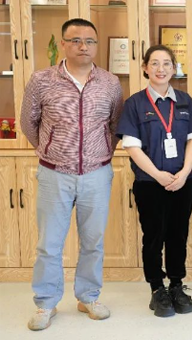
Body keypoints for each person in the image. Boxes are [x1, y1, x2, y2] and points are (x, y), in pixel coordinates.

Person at [20, 18, 123, 331]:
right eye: (76, 40)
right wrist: (52, 150)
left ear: (96, 45)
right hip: (54, 174)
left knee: (93, 241)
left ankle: (88, 296)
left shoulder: (110, 82)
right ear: (63, 44)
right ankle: (46, 302)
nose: (83, 46)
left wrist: (98, 153)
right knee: (49, 244)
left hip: (97, 174)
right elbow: (28, 122)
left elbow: (115, 125)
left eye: (90, 41)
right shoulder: (42, 80)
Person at [116, 45, 192, 318]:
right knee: (153, 237)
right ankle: (157, 288)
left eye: (167, 63)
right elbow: (132, 146)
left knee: (178, 234)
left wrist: (185, 172)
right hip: (150, 183)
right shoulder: (135, 103)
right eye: (154, 63)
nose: (161, 69)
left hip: (182, 181)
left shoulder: (185, 101)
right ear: (145, 67)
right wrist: (158, 175)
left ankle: (176, 284)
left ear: (174, 68)